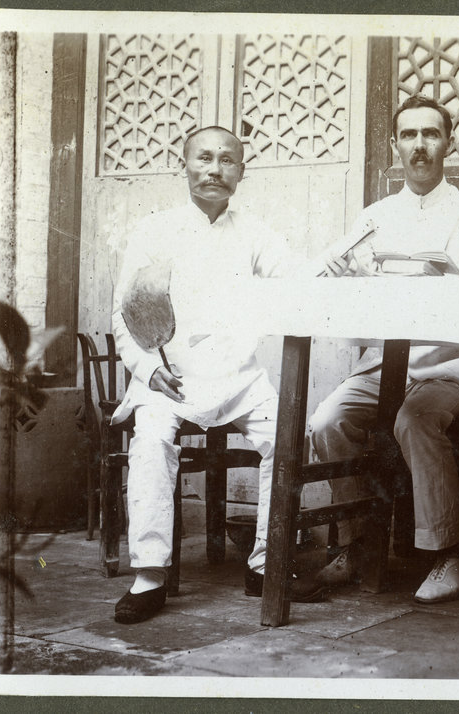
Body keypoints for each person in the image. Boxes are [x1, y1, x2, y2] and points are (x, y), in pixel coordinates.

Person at [110, 126, 321, 625]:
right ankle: (149, 575)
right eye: (203, 158)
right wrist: (147, 369)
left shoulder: (256, 233)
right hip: (170, 376)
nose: (214, 169)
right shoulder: (154, 231)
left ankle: (265, 563)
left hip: (237, 378)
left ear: (241, 172)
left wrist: (333, 265)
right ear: (183, 165)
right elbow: (123, 312)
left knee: (287, 436)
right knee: (151, 441)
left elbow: (297, 281)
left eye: (227, 160)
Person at [309, 95, 459, 604]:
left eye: (430, 134)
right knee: (327, 420)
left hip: (451, 364)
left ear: (449, 143)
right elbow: (341, 292)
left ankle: (448, 552)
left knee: (414, 419)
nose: (420, 145)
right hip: (384, 365)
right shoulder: (374, 217)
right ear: (395, 144)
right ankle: (356, 544)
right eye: (409, 135)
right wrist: (344, 276)